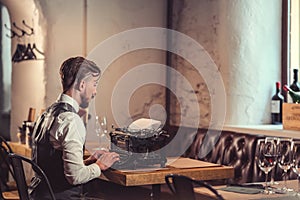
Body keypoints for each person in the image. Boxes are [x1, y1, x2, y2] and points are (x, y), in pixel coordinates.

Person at [30, 56, 119, 199]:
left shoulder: (47, 114)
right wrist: (100, 166)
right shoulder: (71, 120)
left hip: (38, 194)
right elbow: (75, 177)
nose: (95, 91)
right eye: (95, 84)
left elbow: (53, 165)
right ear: (82, 85)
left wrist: (87, 162)